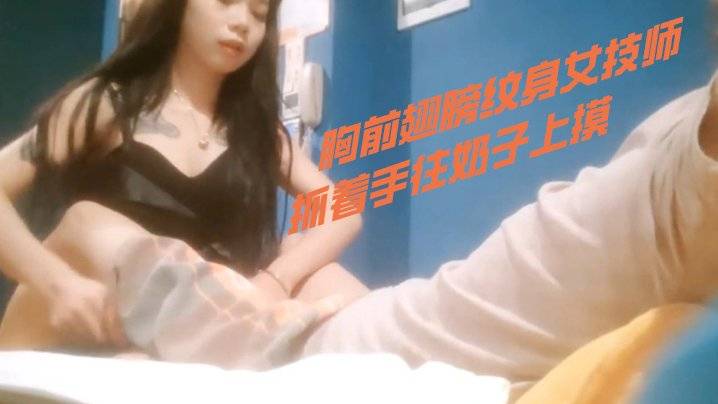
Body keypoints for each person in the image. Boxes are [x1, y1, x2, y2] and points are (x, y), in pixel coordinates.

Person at [300, 72, 718, 399]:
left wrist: (275, 278)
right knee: (312, 282)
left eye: (267, 13)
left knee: (313, 290)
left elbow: (341, 213)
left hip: (383, 335)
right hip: (396, 322)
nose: (257, 24)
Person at [0, 0, 367, 351]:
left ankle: (396, 340)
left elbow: (343, 211)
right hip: (89, 317)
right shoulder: (108, 103)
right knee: (89, 224)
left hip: (202, 321)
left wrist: (278, 278)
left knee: (326, 280)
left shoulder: (259, 135)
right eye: (224, 1)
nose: (242, 23)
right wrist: (56, 281)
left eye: (259, 14)